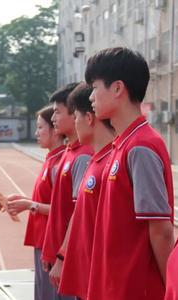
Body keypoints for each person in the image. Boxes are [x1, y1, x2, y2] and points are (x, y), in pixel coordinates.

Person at [85, 47, 175, 300]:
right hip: (115, 285)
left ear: (117, 88)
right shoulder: (122, 144)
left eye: (94, 87)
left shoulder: (141, 146)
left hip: (136, 288)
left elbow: (160, 228)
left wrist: (172, 287)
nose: (91, 97)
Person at [55, 82, 115, 299]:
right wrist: (63, 256)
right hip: (87, 273)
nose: (75, 123)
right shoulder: (94, 160)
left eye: (76, 117)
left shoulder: (113, 160)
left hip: (103, 277)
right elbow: (79, 215)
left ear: (89, 118)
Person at [6, 105, 66, 300]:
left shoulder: (61, 163)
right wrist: (24, 201)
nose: (36, 133)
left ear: (55, 130)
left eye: (40, 127)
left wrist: (29, 205)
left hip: (54, 244)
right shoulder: (50, 160)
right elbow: (48, 200)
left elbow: (64, 210)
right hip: (43, 240)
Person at [41, 82, 93, 299]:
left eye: (57, 112)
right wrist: (49, 248)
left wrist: (62, 256)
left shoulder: (82, 156)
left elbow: (77, 213)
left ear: (75, 115)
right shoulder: (69, 153)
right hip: (59, 253)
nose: (53, 118)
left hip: (70, 257)